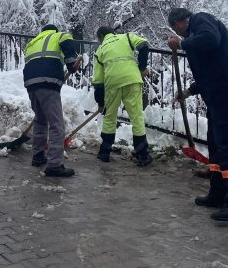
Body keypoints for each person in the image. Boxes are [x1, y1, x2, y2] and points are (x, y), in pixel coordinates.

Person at [167, 7, 228, 222]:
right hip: (216, 90)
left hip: (227, 88)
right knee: (215, 141)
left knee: (227, 142)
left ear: (180, 22)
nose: (176, 32)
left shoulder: (201, 21)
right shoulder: (194, 37)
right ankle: (218, 191)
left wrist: (182, 44)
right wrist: (190, 91)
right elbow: (208, 70)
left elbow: (211, 39)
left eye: (175, 28)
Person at [22, 24, 81, 177]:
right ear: (54, 31)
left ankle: (38, 156)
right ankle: (54, 164)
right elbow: (68, 43)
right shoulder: (59, 35)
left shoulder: (33, 42)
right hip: (48, 82)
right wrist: (71, 64)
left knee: (40, 120)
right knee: (56, 124)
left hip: (31, 84)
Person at [91, 26, 152, 167]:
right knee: (136, 117)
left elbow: (98, 81)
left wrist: (101, 103)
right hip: (132, 79)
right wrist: (142, 68)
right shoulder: (127, 37)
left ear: (101, 37)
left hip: (112, 83)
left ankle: (104, 152)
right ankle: (142, 155)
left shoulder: (100, 50)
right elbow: (144, 45)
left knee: (109, 116)